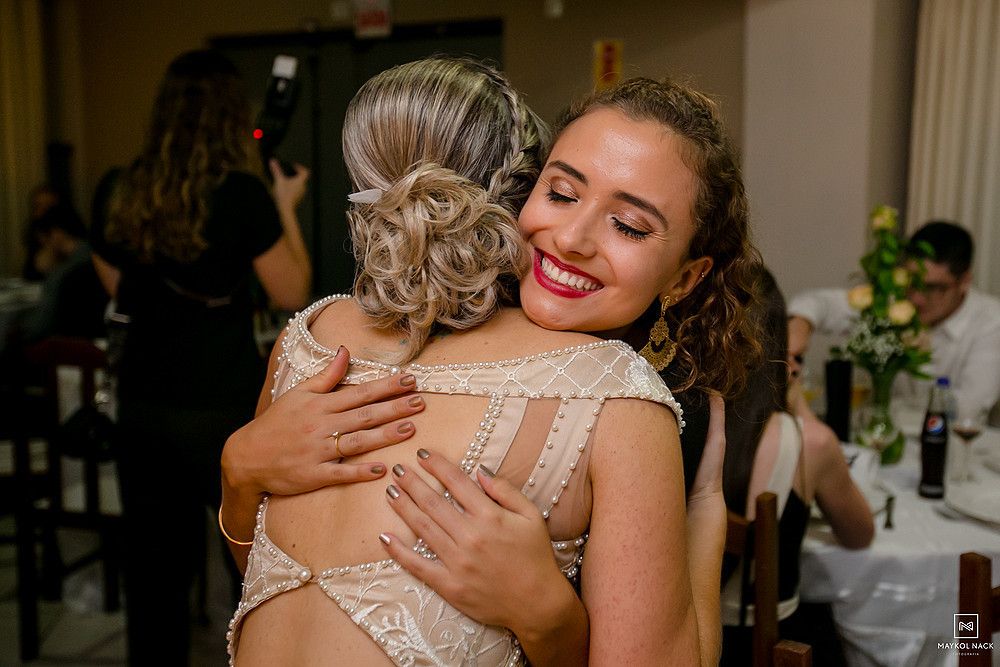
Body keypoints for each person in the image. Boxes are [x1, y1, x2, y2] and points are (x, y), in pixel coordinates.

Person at [221, 62, 760, 665]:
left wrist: (548, 612)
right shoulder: (618, 394)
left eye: (629, 227)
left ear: (688, 277)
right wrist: (237, 472)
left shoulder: (312, 333)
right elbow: (277, 584)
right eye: (560, 192)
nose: (573, 237)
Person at [88, 49, 312, 665]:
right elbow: (291, 291)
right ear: (229, 116)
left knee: (154, 575)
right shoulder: (242, 195)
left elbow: (114, 284)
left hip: (143, 404)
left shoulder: (121, 189)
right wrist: (285, 204)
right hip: (222, 405)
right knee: (246, 559)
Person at [719, 267, 874, 666]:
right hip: (774, 645)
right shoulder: (812, 442)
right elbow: (859, 535)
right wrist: (799, 407)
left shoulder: (671, 419)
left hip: (691, 636)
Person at [788, 221, 1000, 415]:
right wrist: (801, 324)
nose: (917, 298)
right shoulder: (897, 301)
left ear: (964, 281)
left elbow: (969, 406)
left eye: (932, 287)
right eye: (911, 282)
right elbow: (818, 303)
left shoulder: (991, 320)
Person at [18, 203, 108, 342]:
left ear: (56, 234)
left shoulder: (62, 273)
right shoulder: (105, 257)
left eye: (45, 241)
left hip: (71, 348)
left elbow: (38, 326)